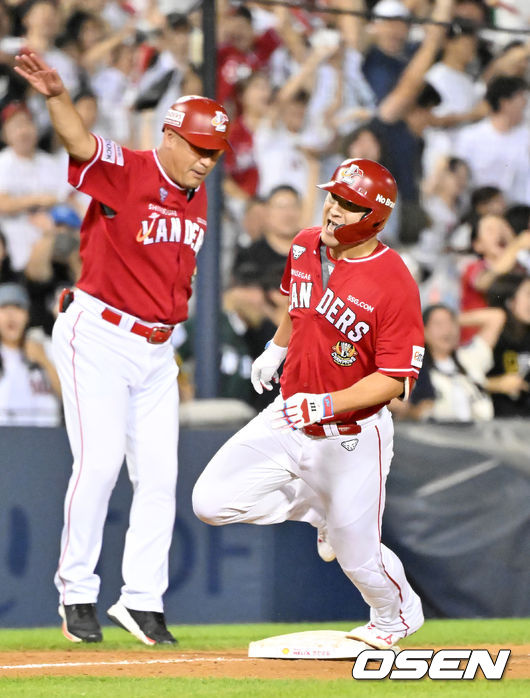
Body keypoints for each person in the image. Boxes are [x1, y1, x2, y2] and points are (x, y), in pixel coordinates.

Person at [14, 50, 231, 645]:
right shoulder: (129, 169)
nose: (206, 161)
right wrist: (58, 97)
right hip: (100, 334)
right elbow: (81, 142)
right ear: (169, 136)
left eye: (214, 152)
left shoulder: (198, 194)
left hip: (158, 351)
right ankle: (77, 592)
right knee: (101, 462)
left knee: (161, 477)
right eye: (196, 147)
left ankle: (141, 600)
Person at [193, 158, 426, 649]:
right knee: (210, 503)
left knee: (359, 560)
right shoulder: (304, 243)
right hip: (289, 412)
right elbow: (299, 308)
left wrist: (327, 403)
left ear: (374, 217)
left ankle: (395, 617)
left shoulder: (394, 280)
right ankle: (320, 510)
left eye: (349, 203)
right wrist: (276, 349)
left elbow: (394, 380)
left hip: (352, 436)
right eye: (334, 196)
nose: (334, 208)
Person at [0, 281, 61, 426]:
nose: (11, 315)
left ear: (27, 315)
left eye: (17, 308)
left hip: (48, 436)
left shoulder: (47, 347)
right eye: (4, 308)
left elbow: (71, 398)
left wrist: (44, 360)